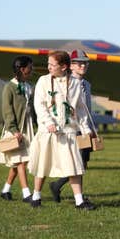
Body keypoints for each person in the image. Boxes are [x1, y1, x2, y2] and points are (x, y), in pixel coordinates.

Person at [27, 50, 95, 209]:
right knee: (43, 165)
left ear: (64, 67)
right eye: (48, 64)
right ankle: (36, 197)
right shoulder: (43, 81)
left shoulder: (76, 84)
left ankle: (79, 201)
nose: (49, 67)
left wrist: (85, 128)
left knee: (74, 166)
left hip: (69, 132)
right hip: (49, 131)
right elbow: (40, 105)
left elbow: (80, 109)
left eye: (52, 64)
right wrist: (48, 122)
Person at [50, 49, 94, 203]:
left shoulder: (86, 84)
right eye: (79, 63)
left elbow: (86, 109)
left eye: (85, 63)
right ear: (71, 66)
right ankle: (76, 196)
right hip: (73, 128)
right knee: (76, 162)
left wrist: (90, 128)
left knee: (83, 163)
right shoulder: (68, 83)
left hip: (85, 128)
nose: (83, 66)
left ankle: (59, 186)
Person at [0, 55, 35, 202]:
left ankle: (5, 190)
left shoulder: (28, 86)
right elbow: (7, 111)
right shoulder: (9, 87)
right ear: (22, 69)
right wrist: (14, 130)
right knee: (21, 162)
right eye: (30, 68)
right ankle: (26, 194)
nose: (32, 70)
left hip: (27, 128)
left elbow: (31, 109)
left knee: (18, 161)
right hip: (16, 130)